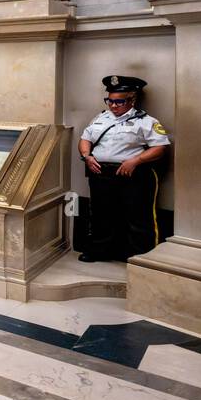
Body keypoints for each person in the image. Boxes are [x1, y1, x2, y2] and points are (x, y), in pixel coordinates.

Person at [78, 75, 171, 263]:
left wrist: (135, 160)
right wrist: (87, 156)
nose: (113, 105)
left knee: (138, 218)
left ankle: (141, 257)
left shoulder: (146, 121)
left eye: (119, 101)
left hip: (133, 175)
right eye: (110, 101)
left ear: (132, 99)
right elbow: (85, 139)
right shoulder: (100, 118)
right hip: (101, 174)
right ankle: (99, 250)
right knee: (101, 215)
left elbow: (160, 148)